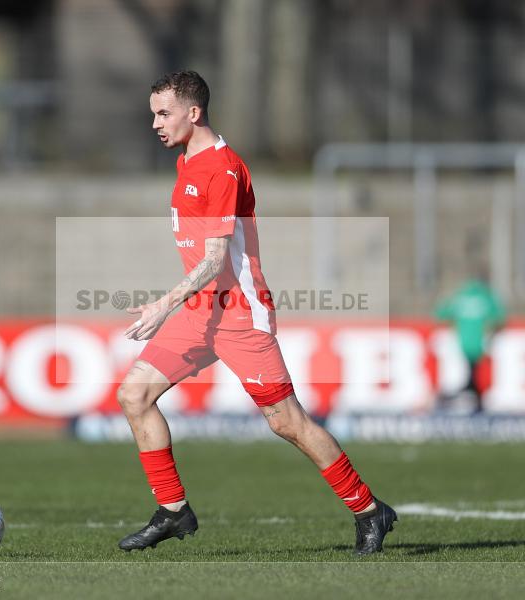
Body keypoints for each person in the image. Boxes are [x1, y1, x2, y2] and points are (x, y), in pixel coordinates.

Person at [115, 71, 397, 555]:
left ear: (194, 113)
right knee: (134, 394)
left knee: (286, 421)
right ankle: (173, 511)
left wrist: (164, 303)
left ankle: (370, 509)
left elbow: (214, 259)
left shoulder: (223, 169)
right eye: (153, 115)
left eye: (163, 113)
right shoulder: (187, 162)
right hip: (200, 314)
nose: (156, 124)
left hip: (239, 315)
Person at [433, 270, 506, 412]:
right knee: (472, 377)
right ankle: (472, 403)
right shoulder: (486, 296)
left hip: (462, 344)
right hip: (479, 345)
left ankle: (463, 401)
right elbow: (500, 317)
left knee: (467, 377)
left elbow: (440, 314)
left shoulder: (460, 296)